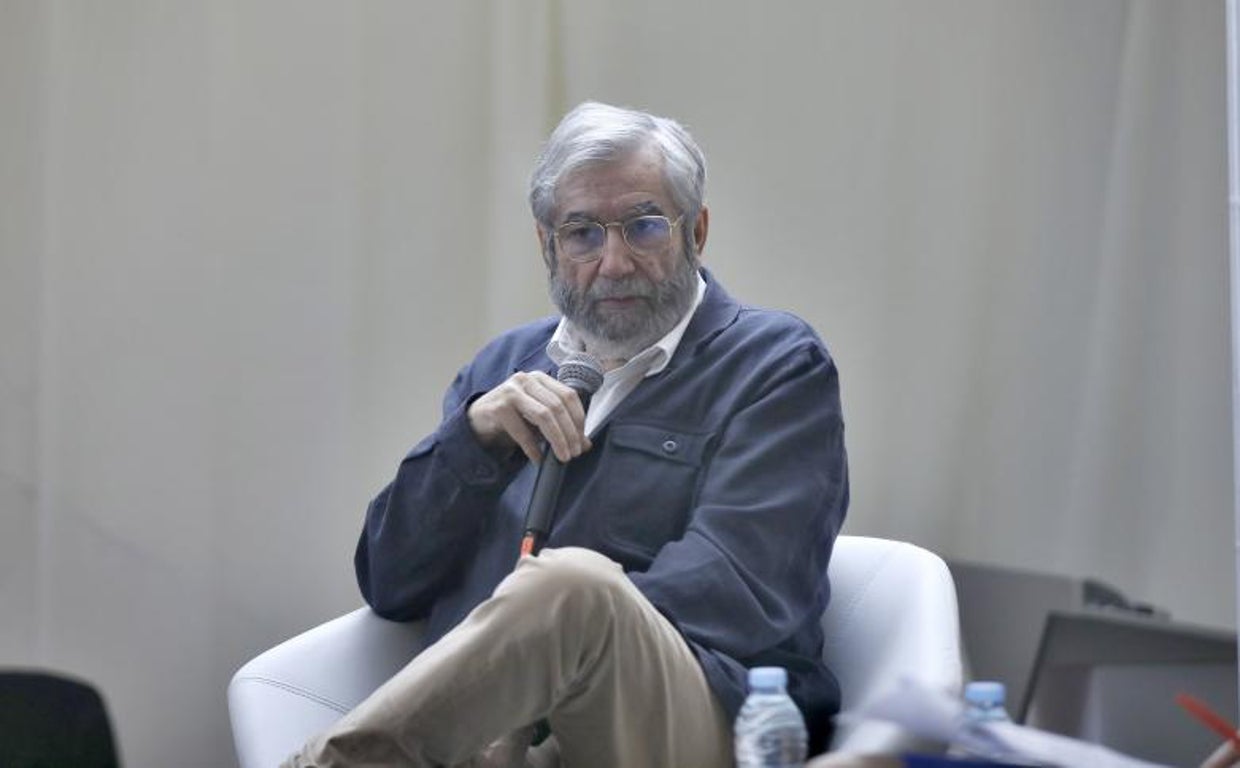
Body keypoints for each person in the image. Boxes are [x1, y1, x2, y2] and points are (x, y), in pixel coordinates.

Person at [285, 101, 849, 768]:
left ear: (696, 229)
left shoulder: (775, 363)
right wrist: (474, 439)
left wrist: (536, 672)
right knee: (564, 592)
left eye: (643, 227)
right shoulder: (502, 368)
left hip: (687, 714)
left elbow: (740, 589)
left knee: (574, 586)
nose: (612, 263)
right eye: (581, 233)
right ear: (545, 244)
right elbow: (388, 580)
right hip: (482, 738)